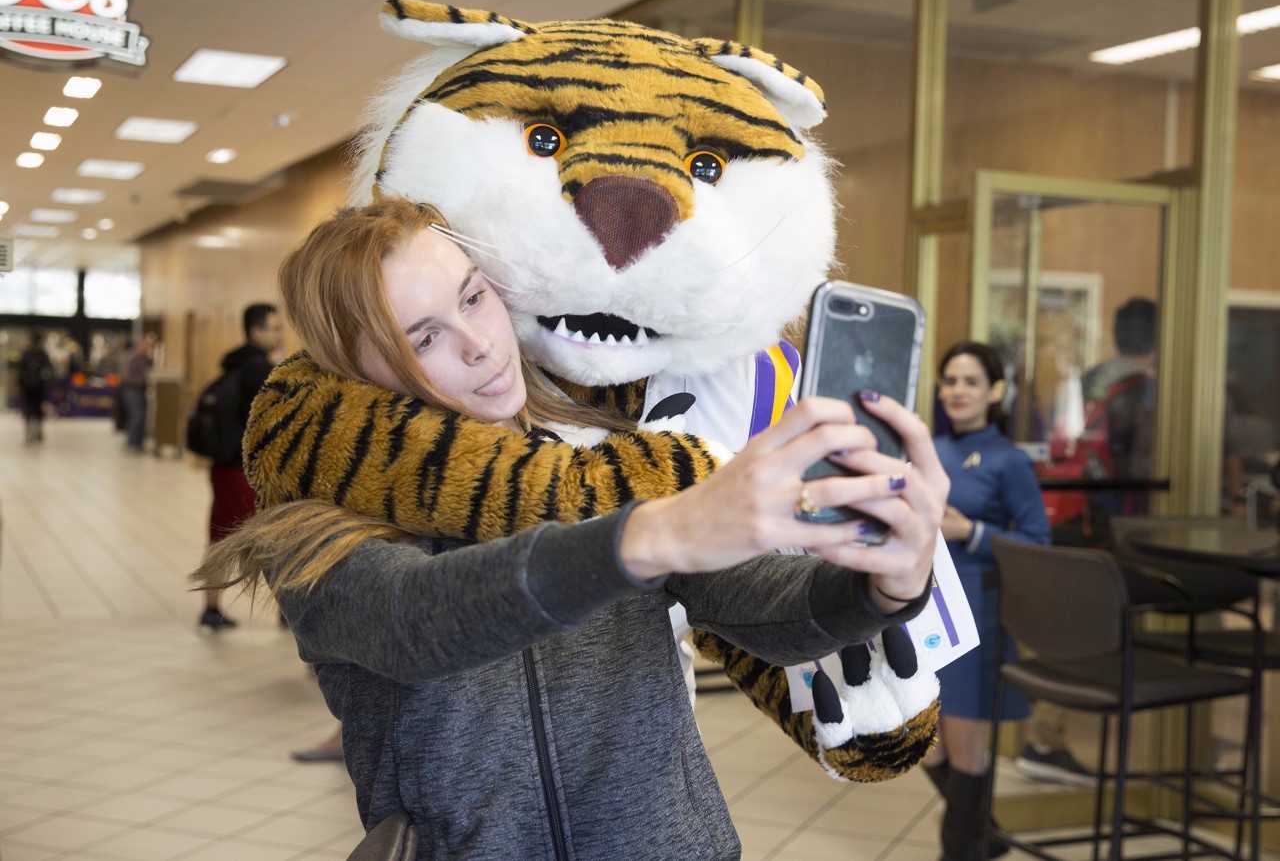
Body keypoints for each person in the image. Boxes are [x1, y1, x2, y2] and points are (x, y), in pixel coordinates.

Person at [195, 200, 947, 859]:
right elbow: (420, 619)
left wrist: (882, 585)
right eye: (422, 339)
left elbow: (754, 604)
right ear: (357, 373)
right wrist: (647, 535)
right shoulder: (311, 535)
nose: (478, 343)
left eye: (474, 298)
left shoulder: (598, 463)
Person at [926, 341, 1052, 861]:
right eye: (950, 380)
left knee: (967, 752)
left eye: (971, 382)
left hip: (977, 613)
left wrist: (971, 532)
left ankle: (963, 850)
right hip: (926, 609)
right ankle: (987, 834)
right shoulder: (928, 448)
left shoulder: (1009, 459)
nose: (958, 391)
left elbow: (1038, 541)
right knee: (925, 746)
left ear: (995, 391)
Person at [198, 303, 285, 631]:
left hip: (224, 467)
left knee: (221, 535)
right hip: (243, 470)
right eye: (273, 328)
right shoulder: (258, 369)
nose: (279, 334)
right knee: (270, 537)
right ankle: (289, 609)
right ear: (255, 331)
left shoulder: (233, 364)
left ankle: (211, 607)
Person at [120, 333, 155, 452]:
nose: (147, 348)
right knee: (137, 416)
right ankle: (133, 443)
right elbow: (128, 376)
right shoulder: (133, 358)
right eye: (146, 345)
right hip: (132, 390)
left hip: (139, 390)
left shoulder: (144, 358)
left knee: (139, 416)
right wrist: (143, 380)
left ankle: (138, 443)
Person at [17, 333, 54, 444]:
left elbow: (21, 371)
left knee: (31, 409)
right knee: (35, 409)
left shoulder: (28, 353)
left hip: (31, 387)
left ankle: (32, 432)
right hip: (36, 387)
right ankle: (35, 432)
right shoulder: (41, 354)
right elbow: (49, 370)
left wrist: (21, 383)